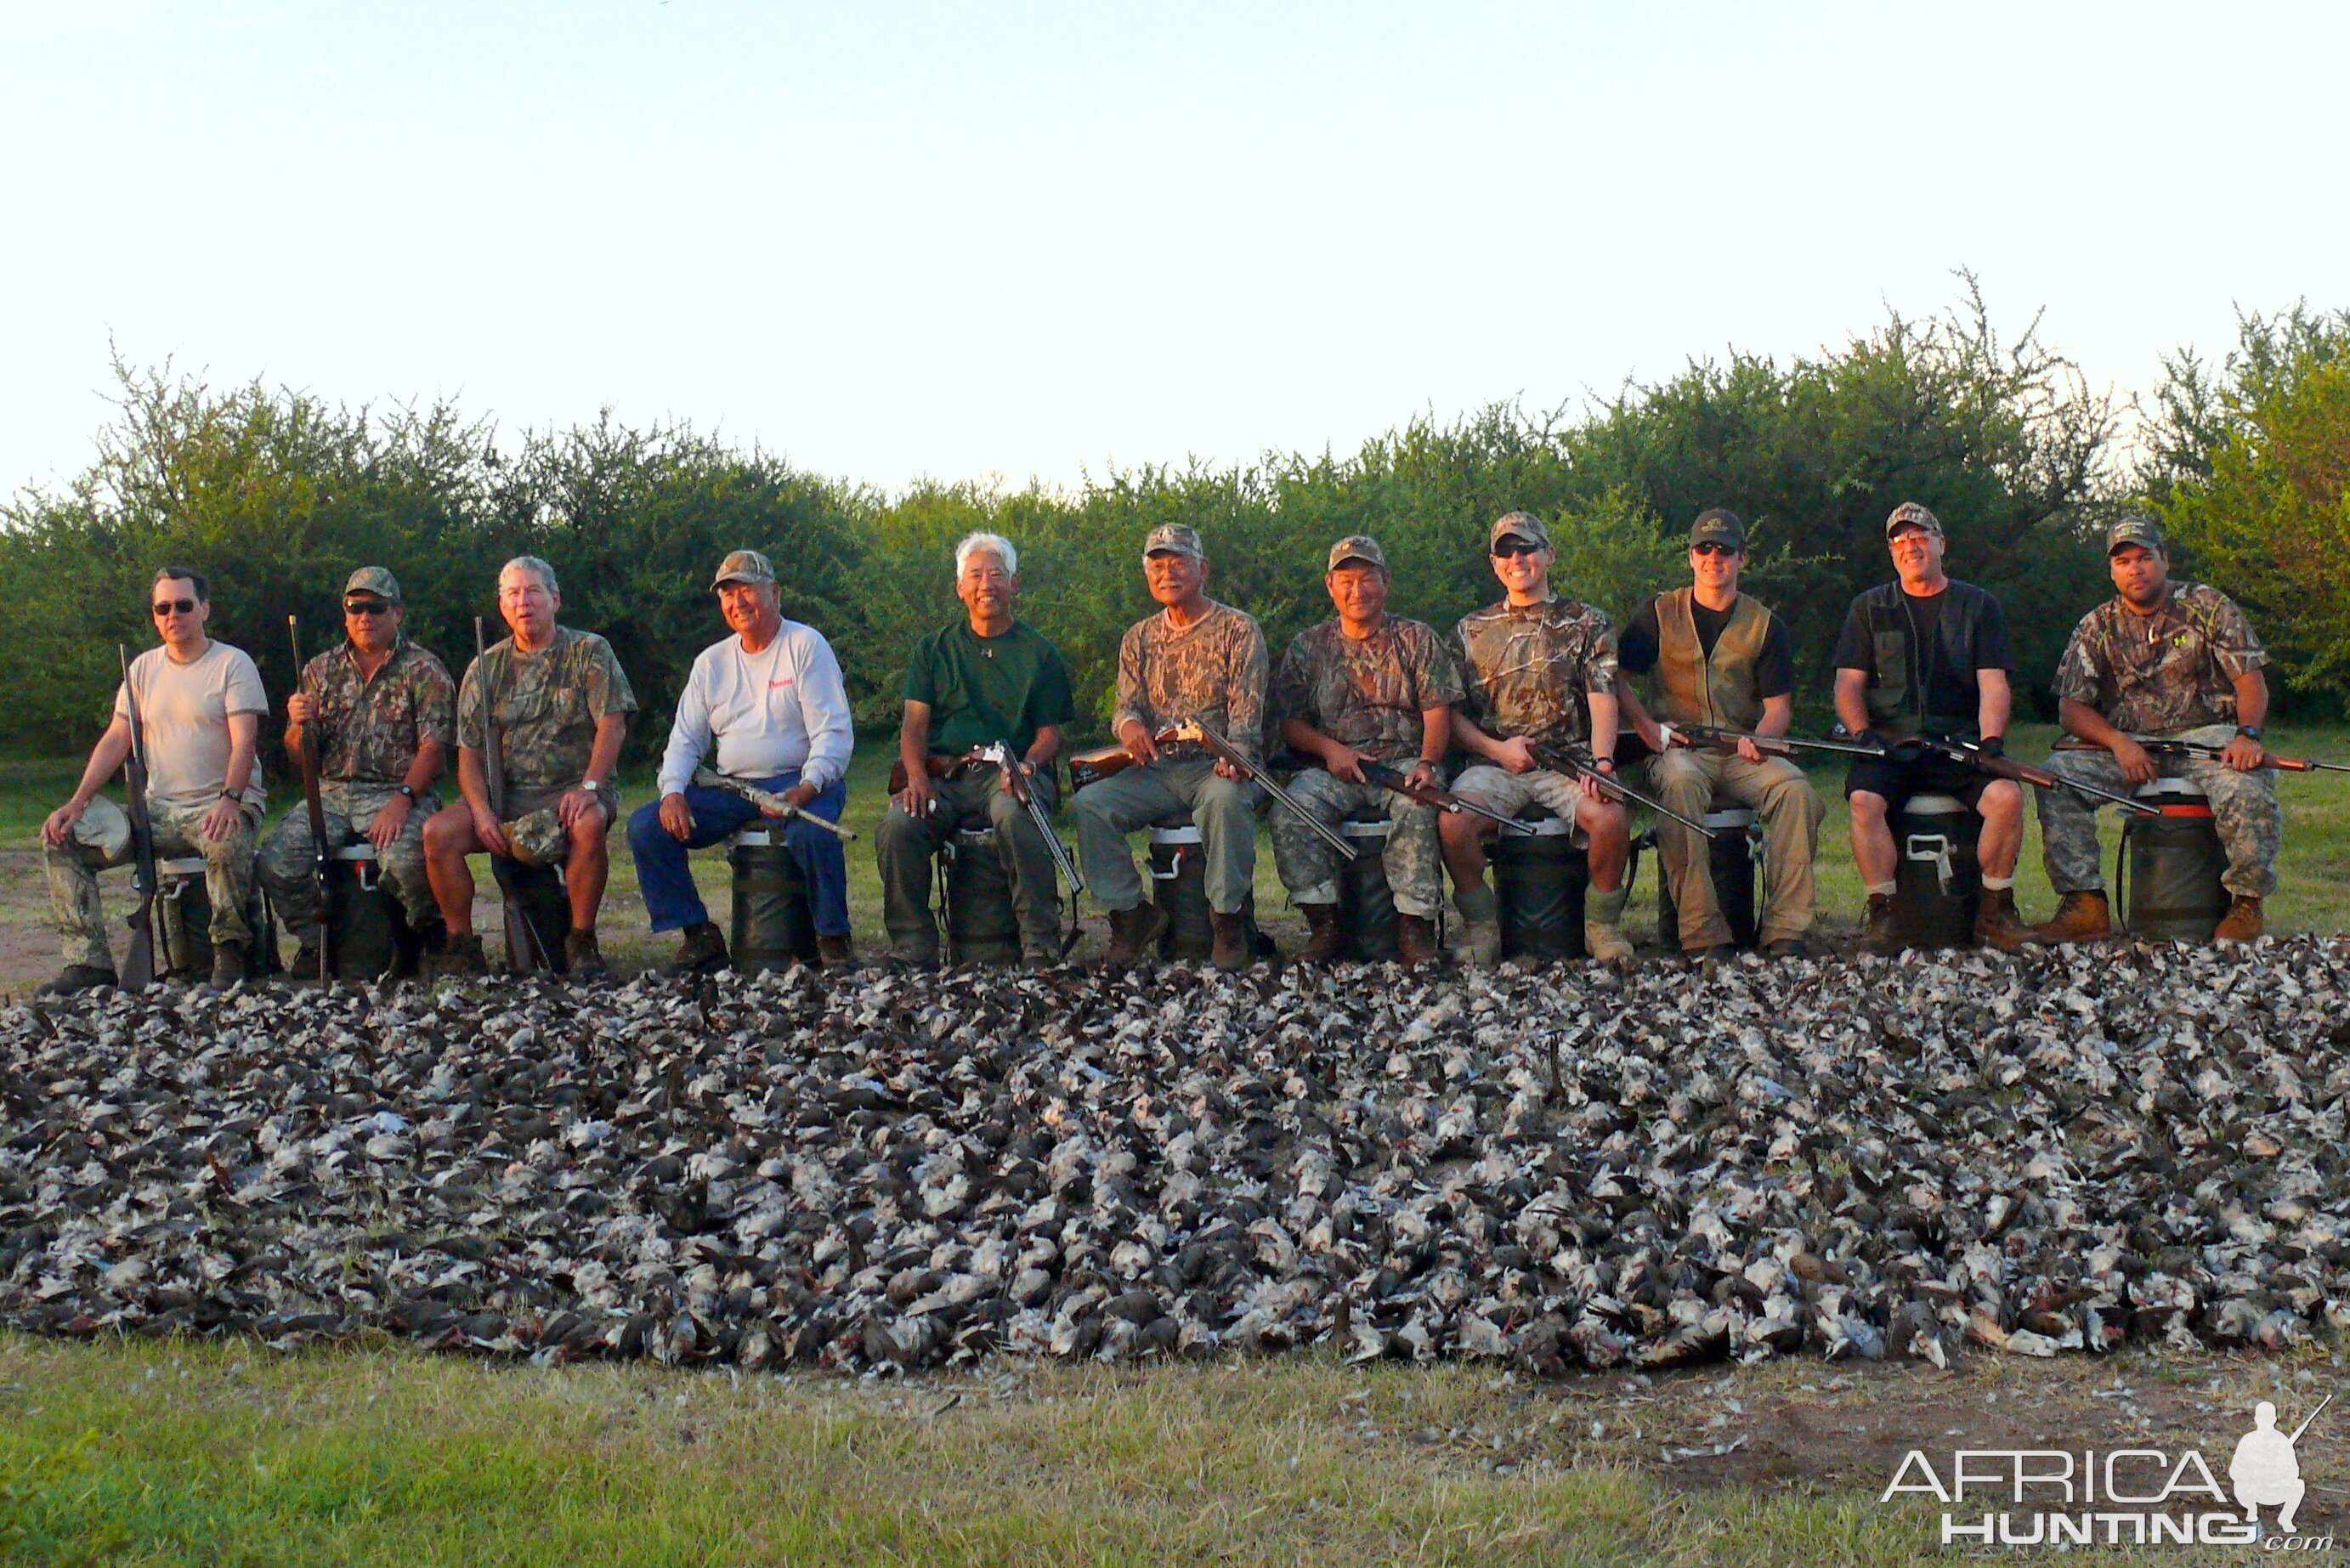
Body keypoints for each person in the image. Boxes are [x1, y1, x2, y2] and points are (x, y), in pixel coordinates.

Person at [2032, 517, 2277, 943]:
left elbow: (2249, 682)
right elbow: (2071, 709)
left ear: (2164, 559)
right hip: (2132, 747)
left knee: (2246, 784)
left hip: (2208, 738)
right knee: (2057, 778)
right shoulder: (2096, 625)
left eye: (2145, 557)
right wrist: (2118, 742)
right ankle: (2084, 904)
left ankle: (2246, 904)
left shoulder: (2209, 606)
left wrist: (2247, 736)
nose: (2136, 568)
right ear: (2112, 570)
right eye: (2124, 561)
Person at [41, 566, 269, 990]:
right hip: (158, 811)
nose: (173, 615)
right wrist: (77, 803)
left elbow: (245, 743)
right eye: (162, 608)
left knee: (225, 837)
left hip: (222, 803)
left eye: (183, 605)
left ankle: (228, 953)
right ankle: (88, 965)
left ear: (204, 609)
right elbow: (115, 739)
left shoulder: (232, 664)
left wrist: (230, 799)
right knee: (64, 837)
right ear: (154, 614)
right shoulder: (141, 669)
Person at [627, 550, 855, 971]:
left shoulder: (806, 646)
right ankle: (698, 935)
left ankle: (833, 940)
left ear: (774, 593)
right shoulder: (711, 663)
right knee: (646, 827)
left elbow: (833, 734)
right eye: (727, 594)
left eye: (747, 589)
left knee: (813, 834)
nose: (738, 602)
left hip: (802, 778)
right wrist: (673, 792)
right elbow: (684, 741)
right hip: (733, 788)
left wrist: (806, 787)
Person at [1617, 509, 1824, 964]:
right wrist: (1647, 728)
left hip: (1739, 751)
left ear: (1742, 559)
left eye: (1725, 550)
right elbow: (1616, 680)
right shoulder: (1656, 613)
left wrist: (1763, 740)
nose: (1714, 558)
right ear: (1691, 557)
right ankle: (1701, 933)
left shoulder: (1765, 624)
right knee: (1680, 784)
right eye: (1704, 549)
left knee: (1795, 791)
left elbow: (1778, 707)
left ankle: (1787, 929)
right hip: (1678, 750)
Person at [1831, 501, 2031, 953]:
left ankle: (1995, 910)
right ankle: (1882, 913)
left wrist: (1992, 743)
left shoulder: (1979, 606)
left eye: (1920, 536)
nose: (1909, 546)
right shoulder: (1868, 608)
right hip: (1888, 745)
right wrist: (1863, 735)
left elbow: (1994, 685)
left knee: (2007, 797)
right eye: (1899, 539)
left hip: (1957, 742)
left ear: (1941, 543)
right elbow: (1847, 686)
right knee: (1864, 800)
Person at [1070, 524, 1268, 972]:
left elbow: (1247, 721)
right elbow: (1124, 708)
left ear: (1203, 568)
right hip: (1156, 770)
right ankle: (1131, 915)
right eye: (1157, 564)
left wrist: (1234, 758)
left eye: (1179, 561)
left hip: (1216, 766)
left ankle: (1227, 922)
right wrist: (1132, 731)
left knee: (1226, 801)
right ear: (1147, 574)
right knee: (1090, 804)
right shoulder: (1138, 637)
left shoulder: (1238, 629)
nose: (1168, 572)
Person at [425, 556, 635, 976]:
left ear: (555, 599)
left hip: (571, 793)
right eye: (514, 594)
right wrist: (482, 811)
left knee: (589, 824)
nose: (525, 602)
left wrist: (590, 787)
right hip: (506, 796)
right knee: (437, 834)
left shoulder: (589, 651)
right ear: (502, 606)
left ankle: (581, 941)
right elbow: (469, 753)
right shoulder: (484, 667)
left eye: (534, 591)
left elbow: (612, 723)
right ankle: (461, 945)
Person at [875, 533, 1077, 969]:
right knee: (897, 825)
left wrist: (1026, 766)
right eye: (976, 575)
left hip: (1011, 773)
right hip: (946, 778)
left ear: (1015, 584)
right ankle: (912, 944)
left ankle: (1040, 940)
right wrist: (917, 779)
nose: (987, 583)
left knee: (1015, 814)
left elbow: (1049, 735)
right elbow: (914, 728)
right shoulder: (932, 650)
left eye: (997, 574)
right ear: (960, 588)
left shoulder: (1040, 653)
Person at [1442, 512, 1634, 965]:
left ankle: (1601, 927)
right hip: (1494, 766)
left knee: (1611, 819)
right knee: (1453, 822)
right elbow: (1452, 718)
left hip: (1570, 762)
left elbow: (1603, 699)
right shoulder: (1469, 631)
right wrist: (1497, 751)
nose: (1517, 559)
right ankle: (1481, 928)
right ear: (1494, 563)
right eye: (1506, 551)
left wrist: (1602, 764)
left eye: (1526, 548)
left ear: (1549, 554)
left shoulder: (1588, 622)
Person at [1270, 535, 1461, 967]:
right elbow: (1290, 723)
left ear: (1386, 582)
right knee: (1289, 809)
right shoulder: (1308, 646)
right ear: (1330, 586)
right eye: (1347, 580)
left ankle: (1415, 929)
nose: (1358, 591)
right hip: (1335, 769)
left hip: (1404, 762)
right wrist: (1330, 750)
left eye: (1368, 578)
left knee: (1418, 807)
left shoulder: (1417, 639)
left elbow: (1437, 712)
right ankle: (1324, 926)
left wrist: (1429, 764)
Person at [256, 567, 456, 976]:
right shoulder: (318, 670)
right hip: (330, 793)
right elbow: (301, 757)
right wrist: (297, 727)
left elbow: (434, 749)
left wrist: (403, 800)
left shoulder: (425, 670)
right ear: (345, 614)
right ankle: (319, 945)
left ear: (397, 613)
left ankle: (429, 938)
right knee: (276, 860)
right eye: (356, 607)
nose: (365, 616)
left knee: (405, 858)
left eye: (376, 607)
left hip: (396, 791)